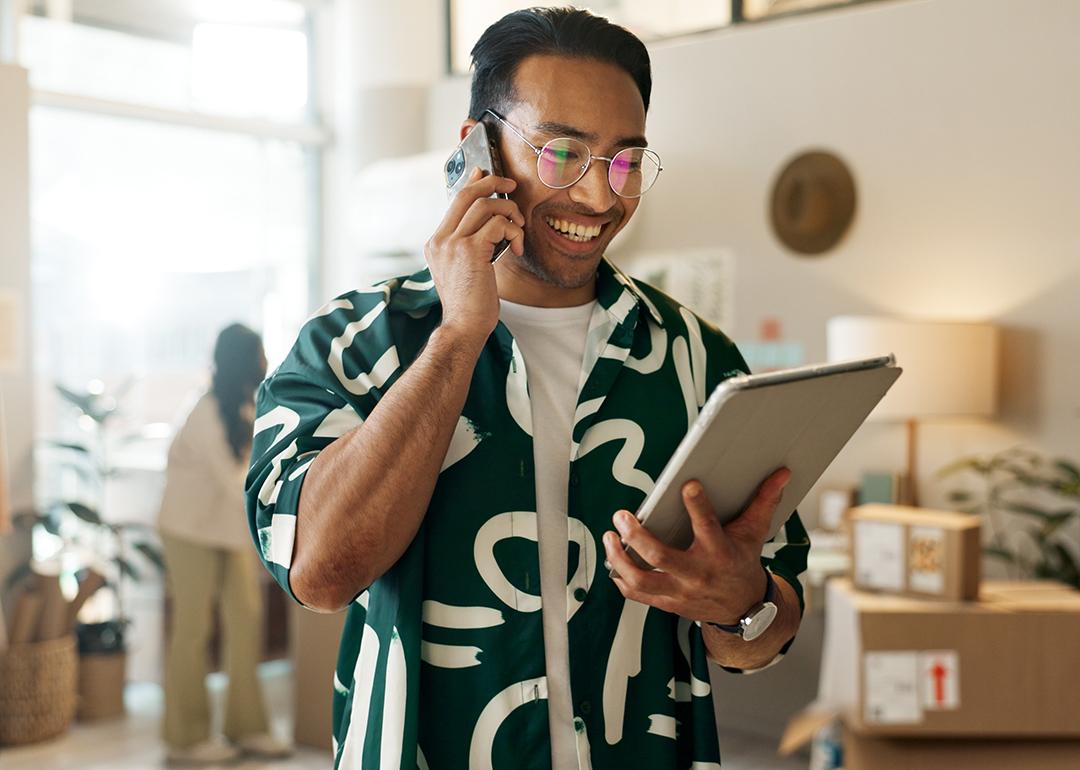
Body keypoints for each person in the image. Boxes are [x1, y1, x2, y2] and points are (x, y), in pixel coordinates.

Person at [246, 8, 809, 769]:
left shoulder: (700, 362)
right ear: (478, 146)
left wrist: (743, 606)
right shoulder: (353, 343)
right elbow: (319, 574)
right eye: (562, 153)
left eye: (624, 161)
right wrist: (455, 338)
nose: (600, 199)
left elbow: (766, 636)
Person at [158, 323, 292, 765]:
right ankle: (186, 737)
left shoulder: (248, 406)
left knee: (246, 622)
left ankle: (247, 727)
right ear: (243, 360)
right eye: (259, 354)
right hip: (189, 531)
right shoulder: (206, 412)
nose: (265, 361)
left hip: (227, 531)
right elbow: (240, 485)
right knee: (193, 629)